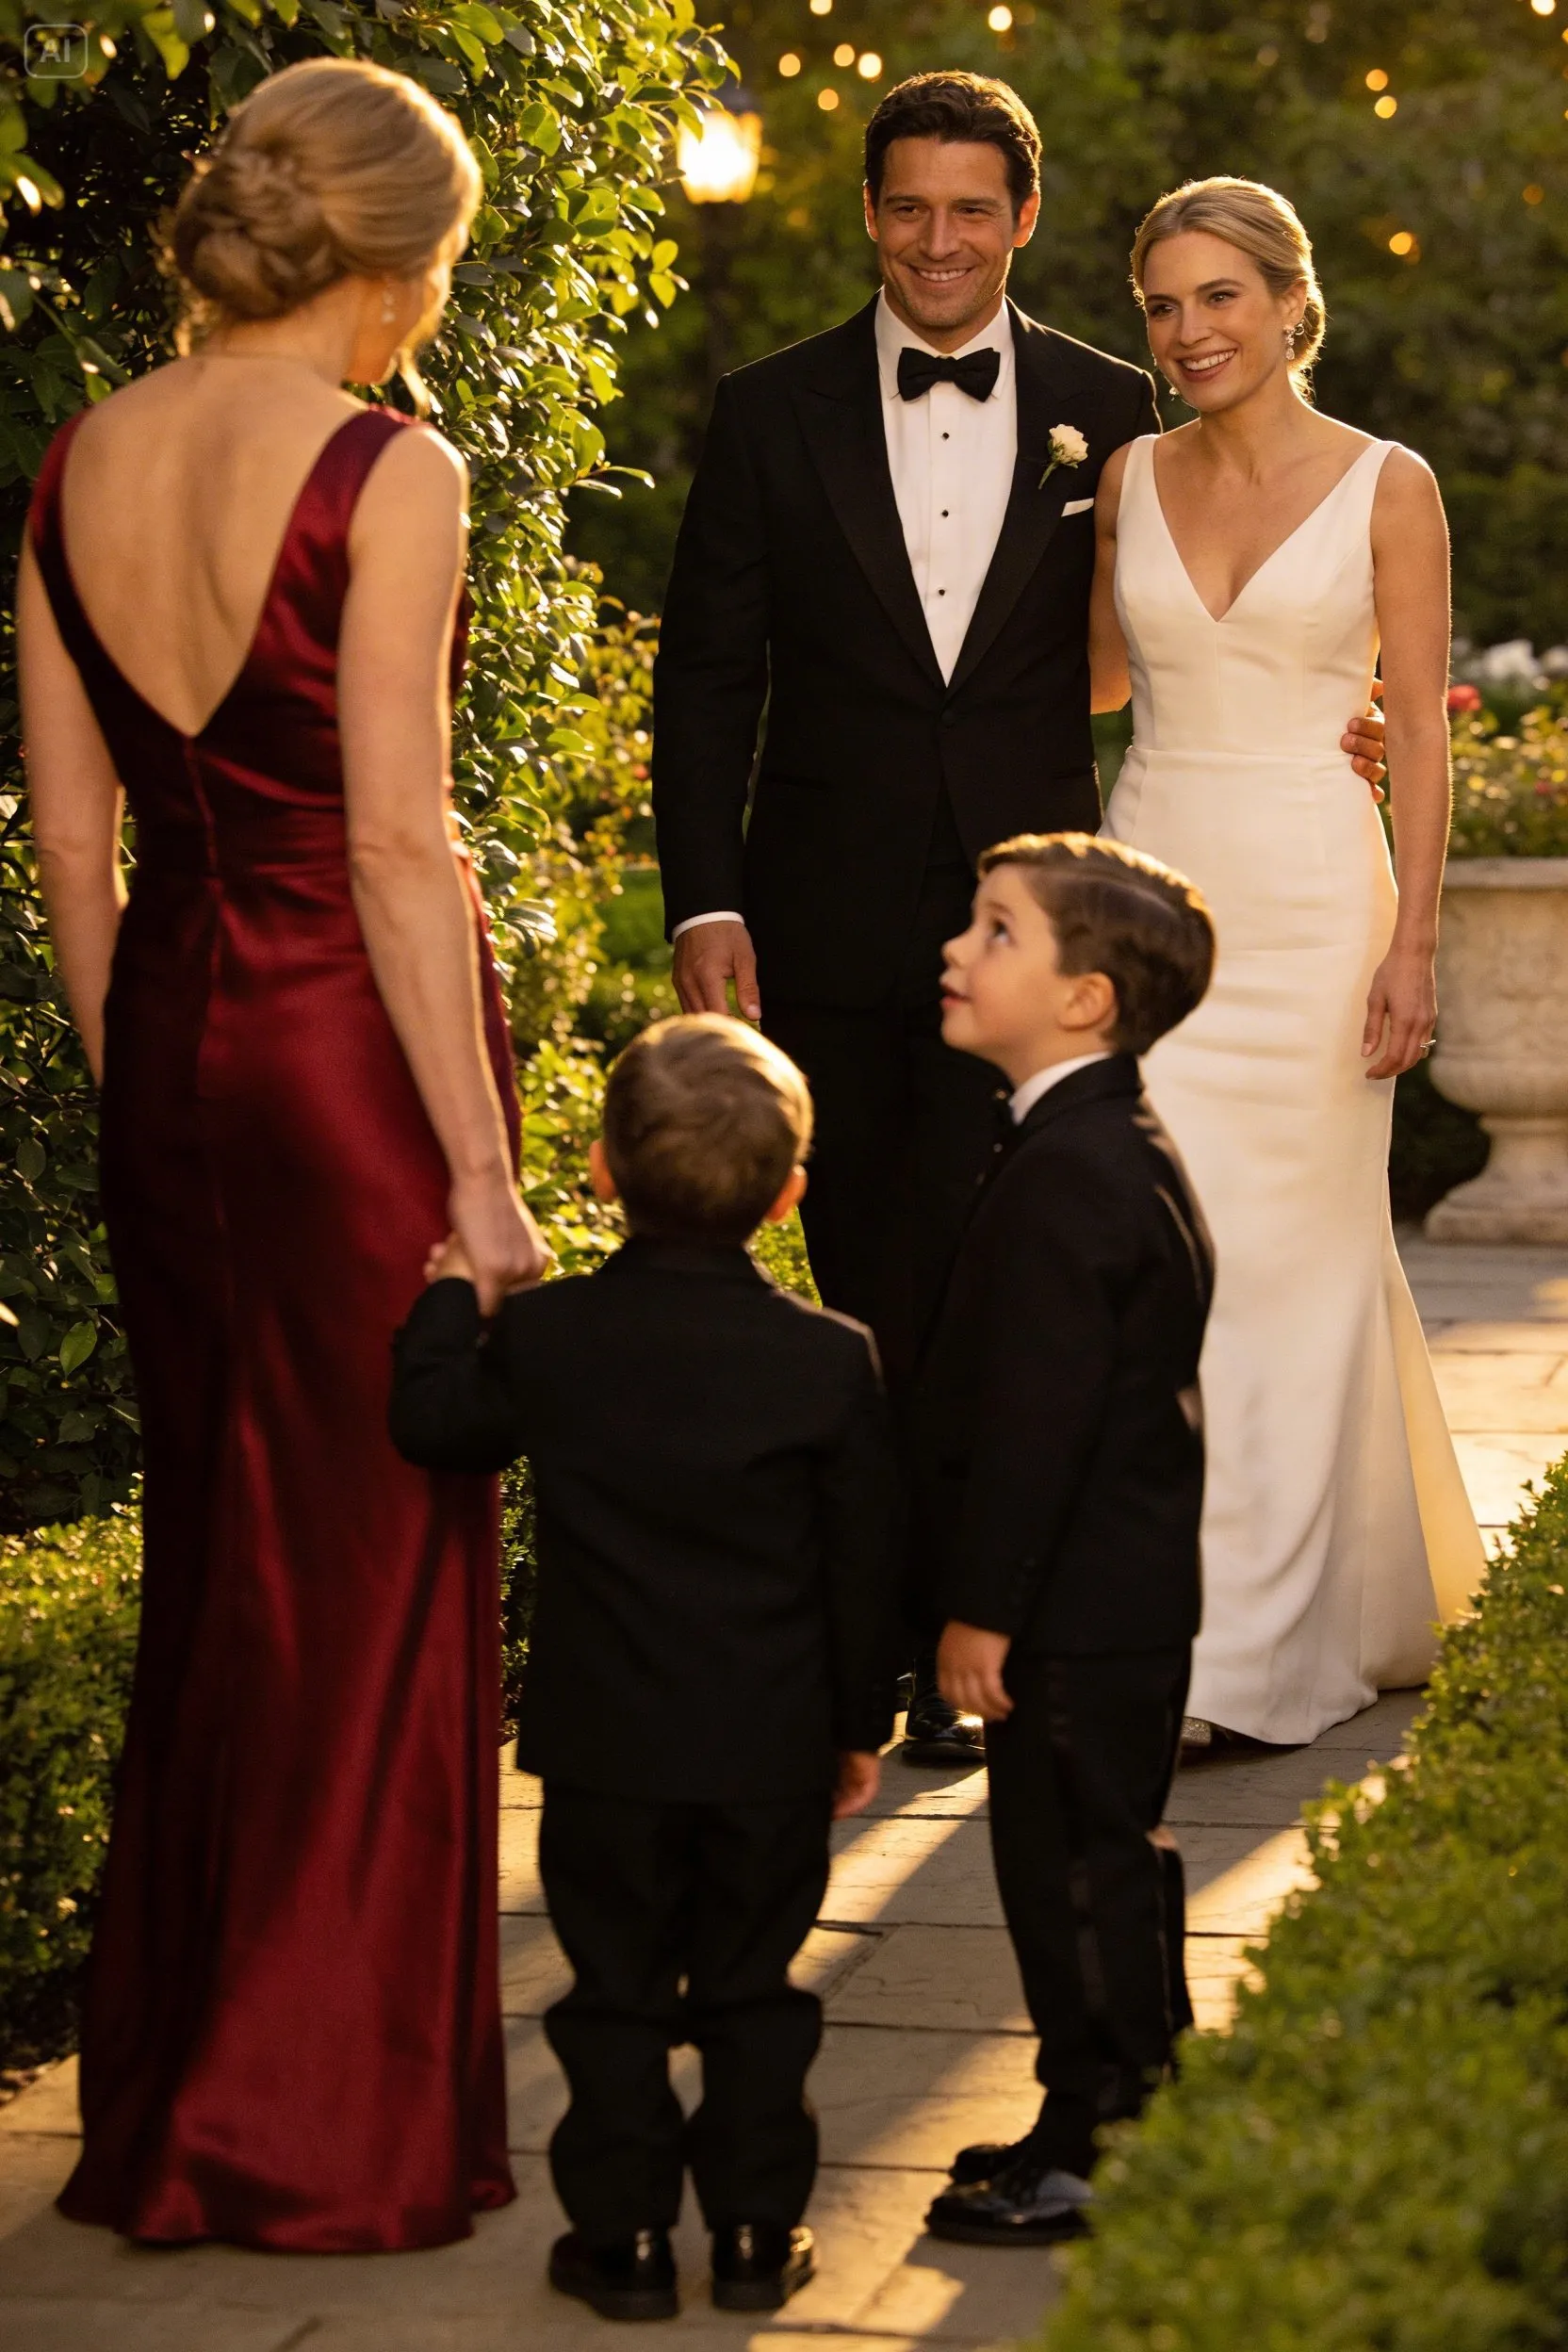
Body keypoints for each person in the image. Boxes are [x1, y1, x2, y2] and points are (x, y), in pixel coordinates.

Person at [652, 74, 1386, 1764]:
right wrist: (708, 896)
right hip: (824, 916)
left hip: (1045, 937)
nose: (940, 240)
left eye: (971, 208)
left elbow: (1188, 624)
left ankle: (970, 1646)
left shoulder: (1113, 406)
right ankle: (877, 1640)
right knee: (866, 1287)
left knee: (1016, 1289)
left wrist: (1334, 712)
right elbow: (708, 678)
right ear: (869, 215)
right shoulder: (767, 409)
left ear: (1024, 219)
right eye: (909, 206)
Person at [19, 58, 547, 2250]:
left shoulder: (80, 456)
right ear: (395, 262)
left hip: (175, 1046)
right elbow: (403, 853)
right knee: (377, 1575)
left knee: (224, 1565)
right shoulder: (382, 463)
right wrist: (484, 1180)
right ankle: (314, 2130)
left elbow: (71, 844)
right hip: (349, 1059)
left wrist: (154, 1064)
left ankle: (171, 2102)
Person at [389, 1015, 898, 2324]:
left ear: (604, 1169)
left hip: (605, 1748)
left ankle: (619, 2244)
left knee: (613, 1992)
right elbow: (860, 1568)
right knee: (753, 1990)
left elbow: (434, 1423)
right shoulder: (829, 1357)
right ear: (789, 1192)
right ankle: (753, 2232)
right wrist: (856, 1726)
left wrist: (450, 1295)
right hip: (769, 1751)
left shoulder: (553, 1336)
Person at [1093, 178, 1485, 1748]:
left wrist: (1416, 942)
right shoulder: (1123, 477)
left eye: (1220, 297)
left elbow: (1423, 739)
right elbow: (1089, 679)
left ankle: (1242, 1665)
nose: (1190, 332)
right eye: (1164, 306)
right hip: (1146, 912)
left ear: (1289, 304)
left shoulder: (1391, 484)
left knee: (1291, 1271)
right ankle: (1206, 1614)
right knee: (1168, 1271)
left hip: (1321, 909)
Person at [911, 833, 1216, 2244]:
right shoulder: (1089, 1141)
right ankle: (1124, 2100)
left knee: (1072, 1874)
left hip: (1079, 1603)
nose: (956, 950)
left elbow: (1042, 1422)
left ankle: (1097, 2140)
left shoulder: (1075, 1172)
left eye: (997, 932)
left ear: (1086, 999)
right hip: (1116, 1592)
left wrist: (984, 1609)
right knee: (1107, 1854)